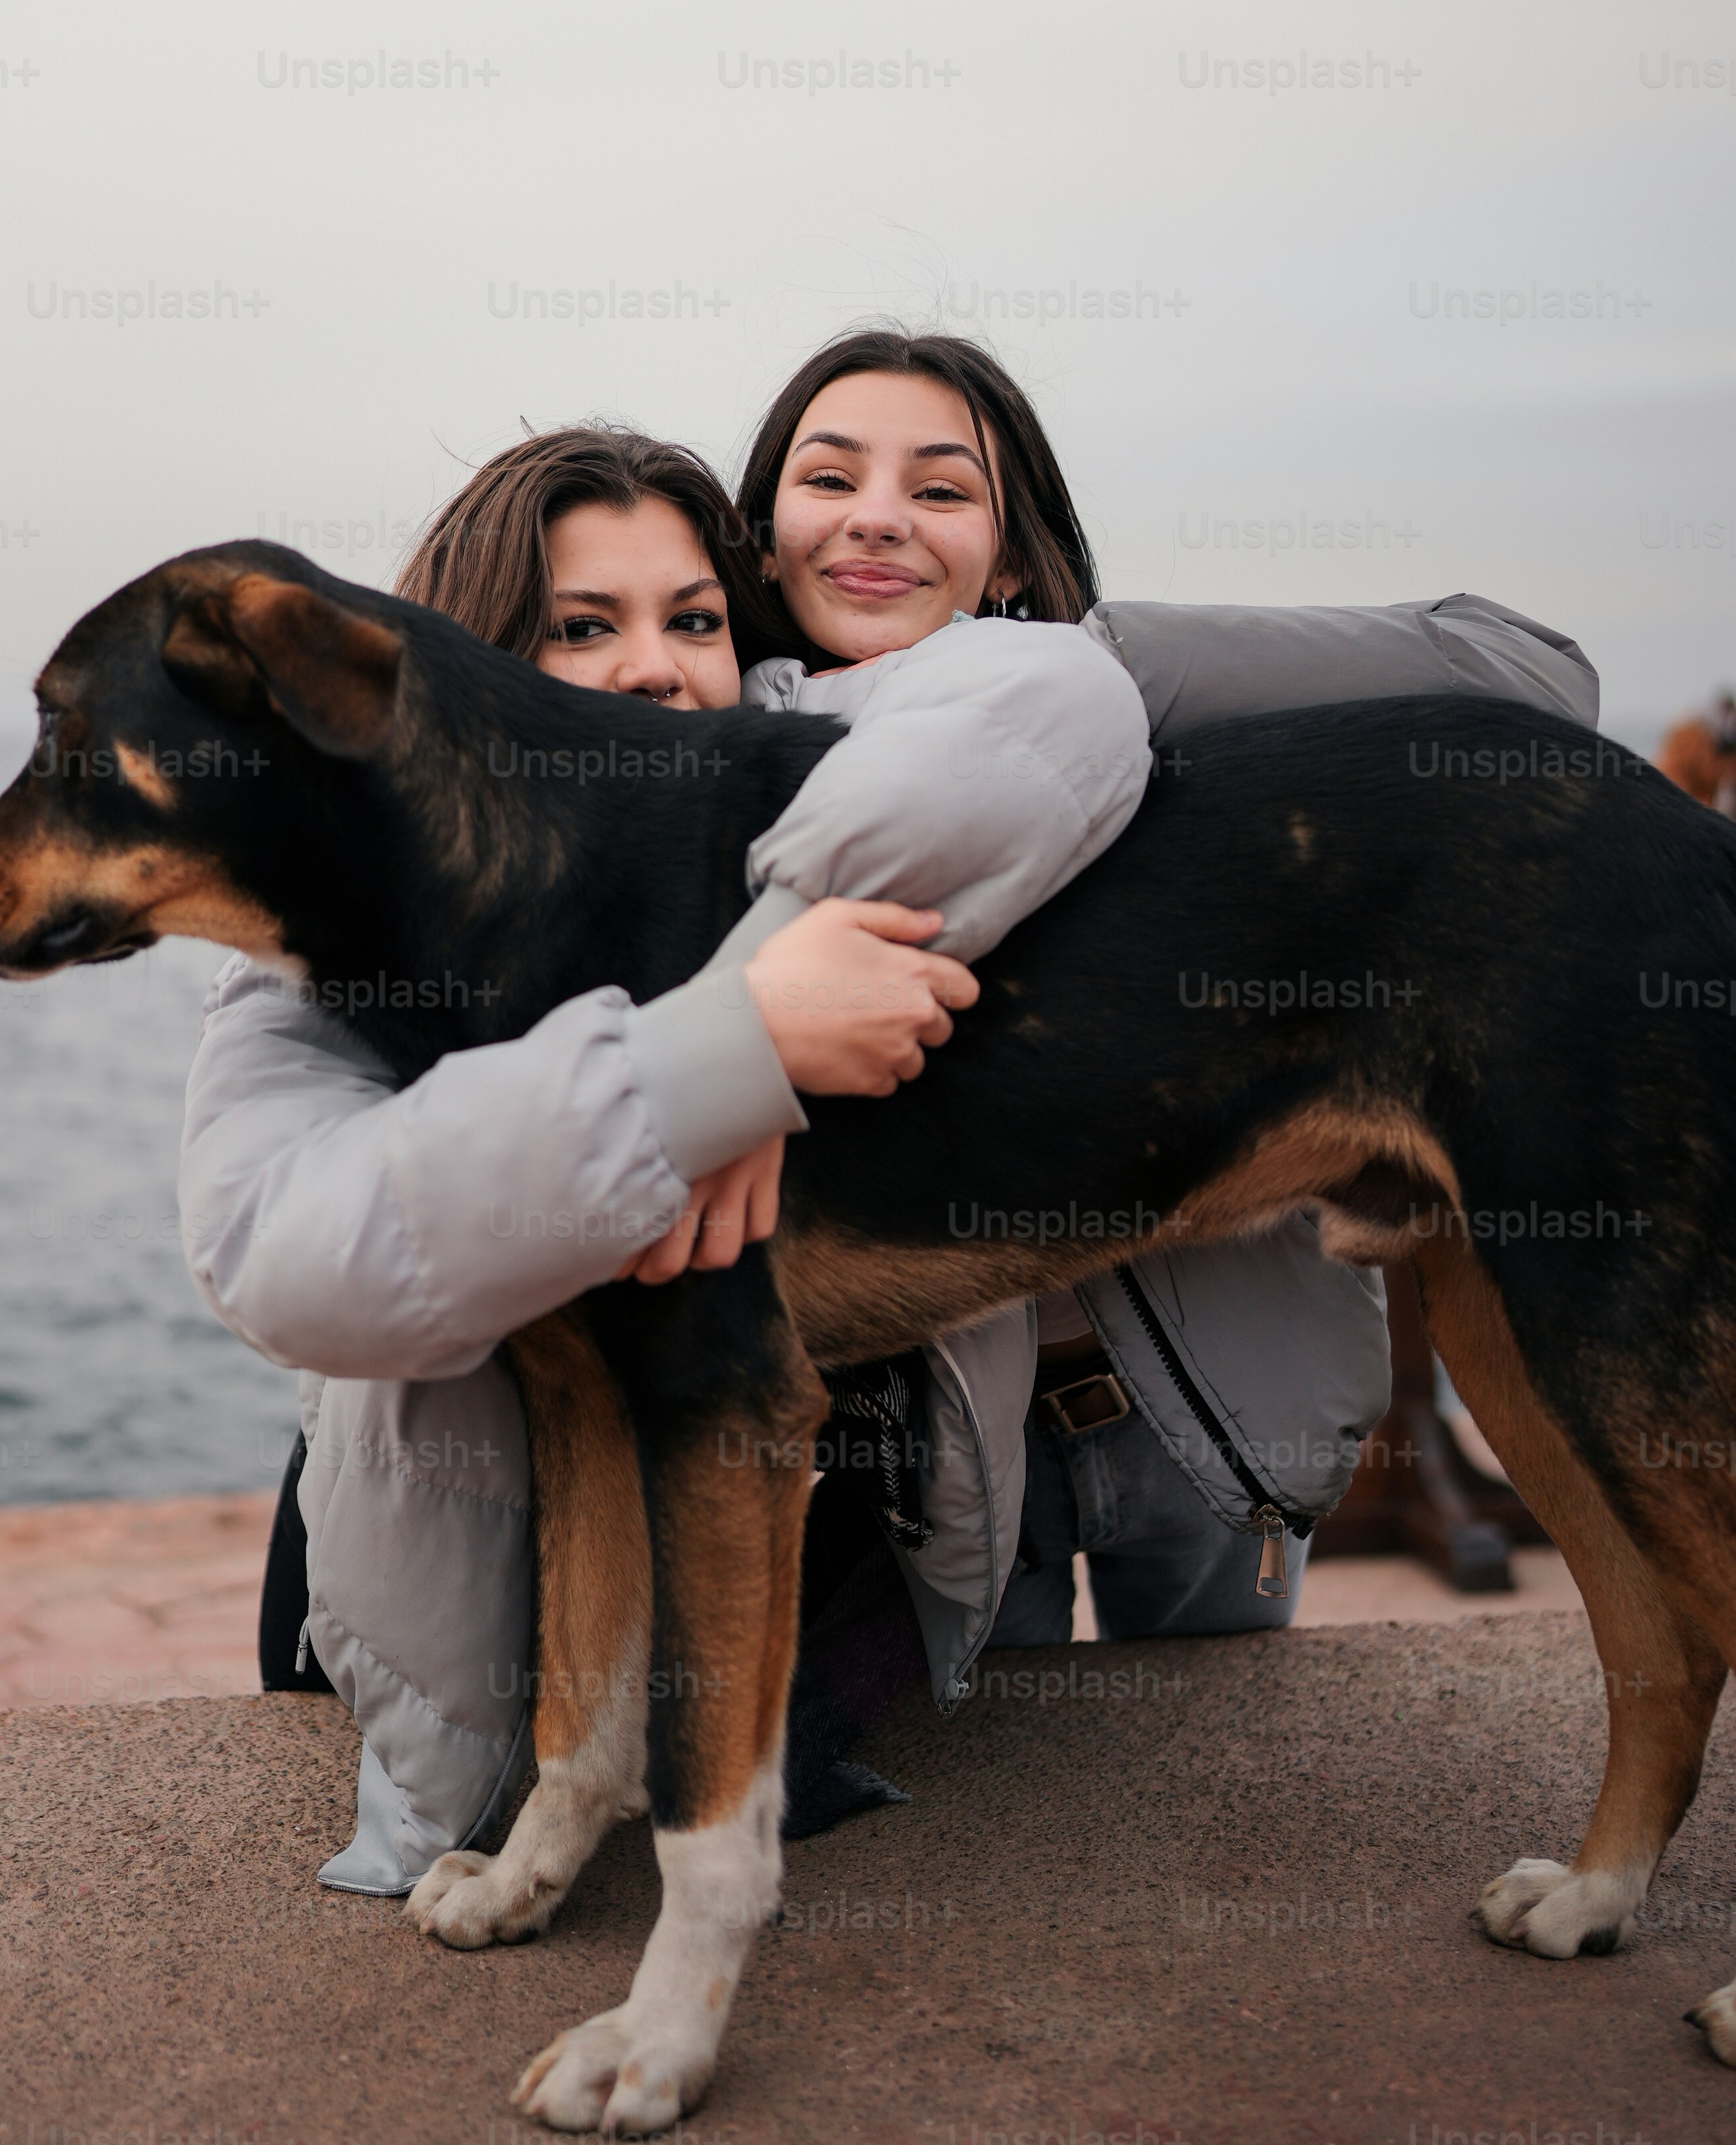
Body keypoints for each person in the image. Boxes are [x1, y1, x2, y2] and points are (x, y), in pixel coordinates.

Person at [185, 334, 1602, 1886]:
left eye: (944, 488)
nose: (879, 516)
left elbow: (1526, 674)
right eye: (828, 476)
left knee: (1186, 1784)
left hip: (1186, 1421)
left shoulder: (993, 698)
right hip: (608, 1557)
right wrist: (733, 1049)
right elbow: (288, 1246)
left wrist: (1066, 656)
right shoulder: (420, 898)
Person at [183, 415, 1151, 1886]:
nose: (655, 668)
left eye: (693, 620)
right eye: (584, 628)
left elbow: (1059, 688)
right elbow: (287, 1256)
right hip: (477, 1682)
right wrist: (728, 1053)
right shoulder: (339, 927)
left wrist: (777, 936)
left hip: (830, 1651)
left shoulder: (793, 779)